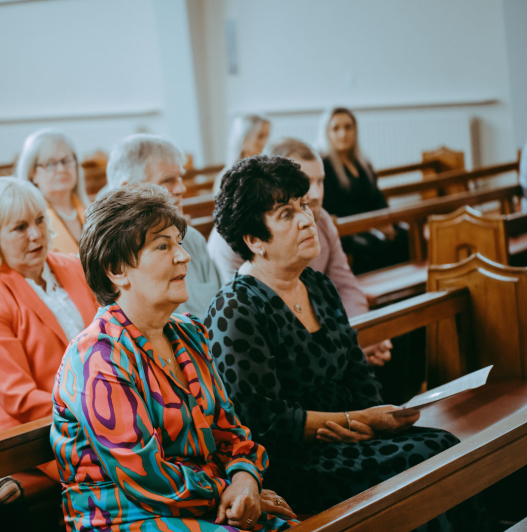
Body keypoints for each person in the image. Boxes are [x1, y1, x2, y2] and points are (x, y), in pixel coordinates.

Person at [206, 156, 485, 528]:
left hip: (349, 438)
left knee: (448, 445)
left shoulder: (317, 285)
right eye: (287, 214)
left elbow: (356, 368)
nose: (308, 219)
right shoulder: (235, 307)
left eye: (304, 205)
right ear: (255, 240)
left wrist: (378, 419)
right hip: (294, 462)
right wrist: (355, 419)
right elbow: (266, 422)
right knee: (423, 458)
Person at [51, 183, 298, 532]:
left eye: (178, 244)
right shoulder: (97, 355)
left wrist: (246, 480)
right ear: (116, 269)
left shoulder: (188, 333)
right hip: (128, 516)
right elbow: (143, 475)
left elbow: (231, 433)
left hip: (202, 502)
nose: (184, 256)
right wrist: (226, 490)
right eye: (163, 246)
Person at [0, 177, 98, 483]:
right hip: (35, 437)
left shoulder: (74, 267)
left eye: (39, 220)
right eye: (20, 228)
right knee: (130, 471)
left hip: (105, 413)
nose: (35, 234)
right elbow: (18, 399)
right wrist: (99, 409)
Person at [207, 137, 391, 366]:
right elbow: (245, 310)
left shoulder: (321, 222)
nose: (314, 193)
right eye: (305, 182)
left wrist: (363, 335)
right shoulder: (239, 237)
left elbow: (345, 285)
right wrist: (345, 348)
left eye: (320, 181)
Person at [106, 134, 221, 319]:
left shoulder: (192, 239)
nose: (181, 188)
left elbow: (218, 309)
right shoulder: (114, 256)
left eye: (180, 178)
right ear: (130, 189)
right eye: (167, 180)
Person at [316, 107, 408, 273]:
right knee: (375, 247)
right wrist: (373, 226)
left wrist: (386, 223)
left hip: (372, 224)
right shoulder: (324, 167)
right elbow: (335, 209)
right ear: (327, 133)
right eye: (336, 128)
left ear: (355, 130)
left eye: (348, 127)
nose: (343, 133)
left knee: (405, 235)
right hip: (349, 231)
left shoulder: (362, 163)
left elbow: (377, 198)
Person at [15, 128, 89, 255]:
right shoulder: (29, 224)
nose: (61, 169)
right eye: (50, 164)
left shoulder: (93, 210)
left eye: (66, 161)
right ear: (32, 173)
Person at [213, 114, 271, 193]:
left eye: (267, 136)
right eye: (260, 136)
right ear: (243, 139)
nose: (265, 142)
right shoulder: (228, 177)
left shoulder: (264, 168)